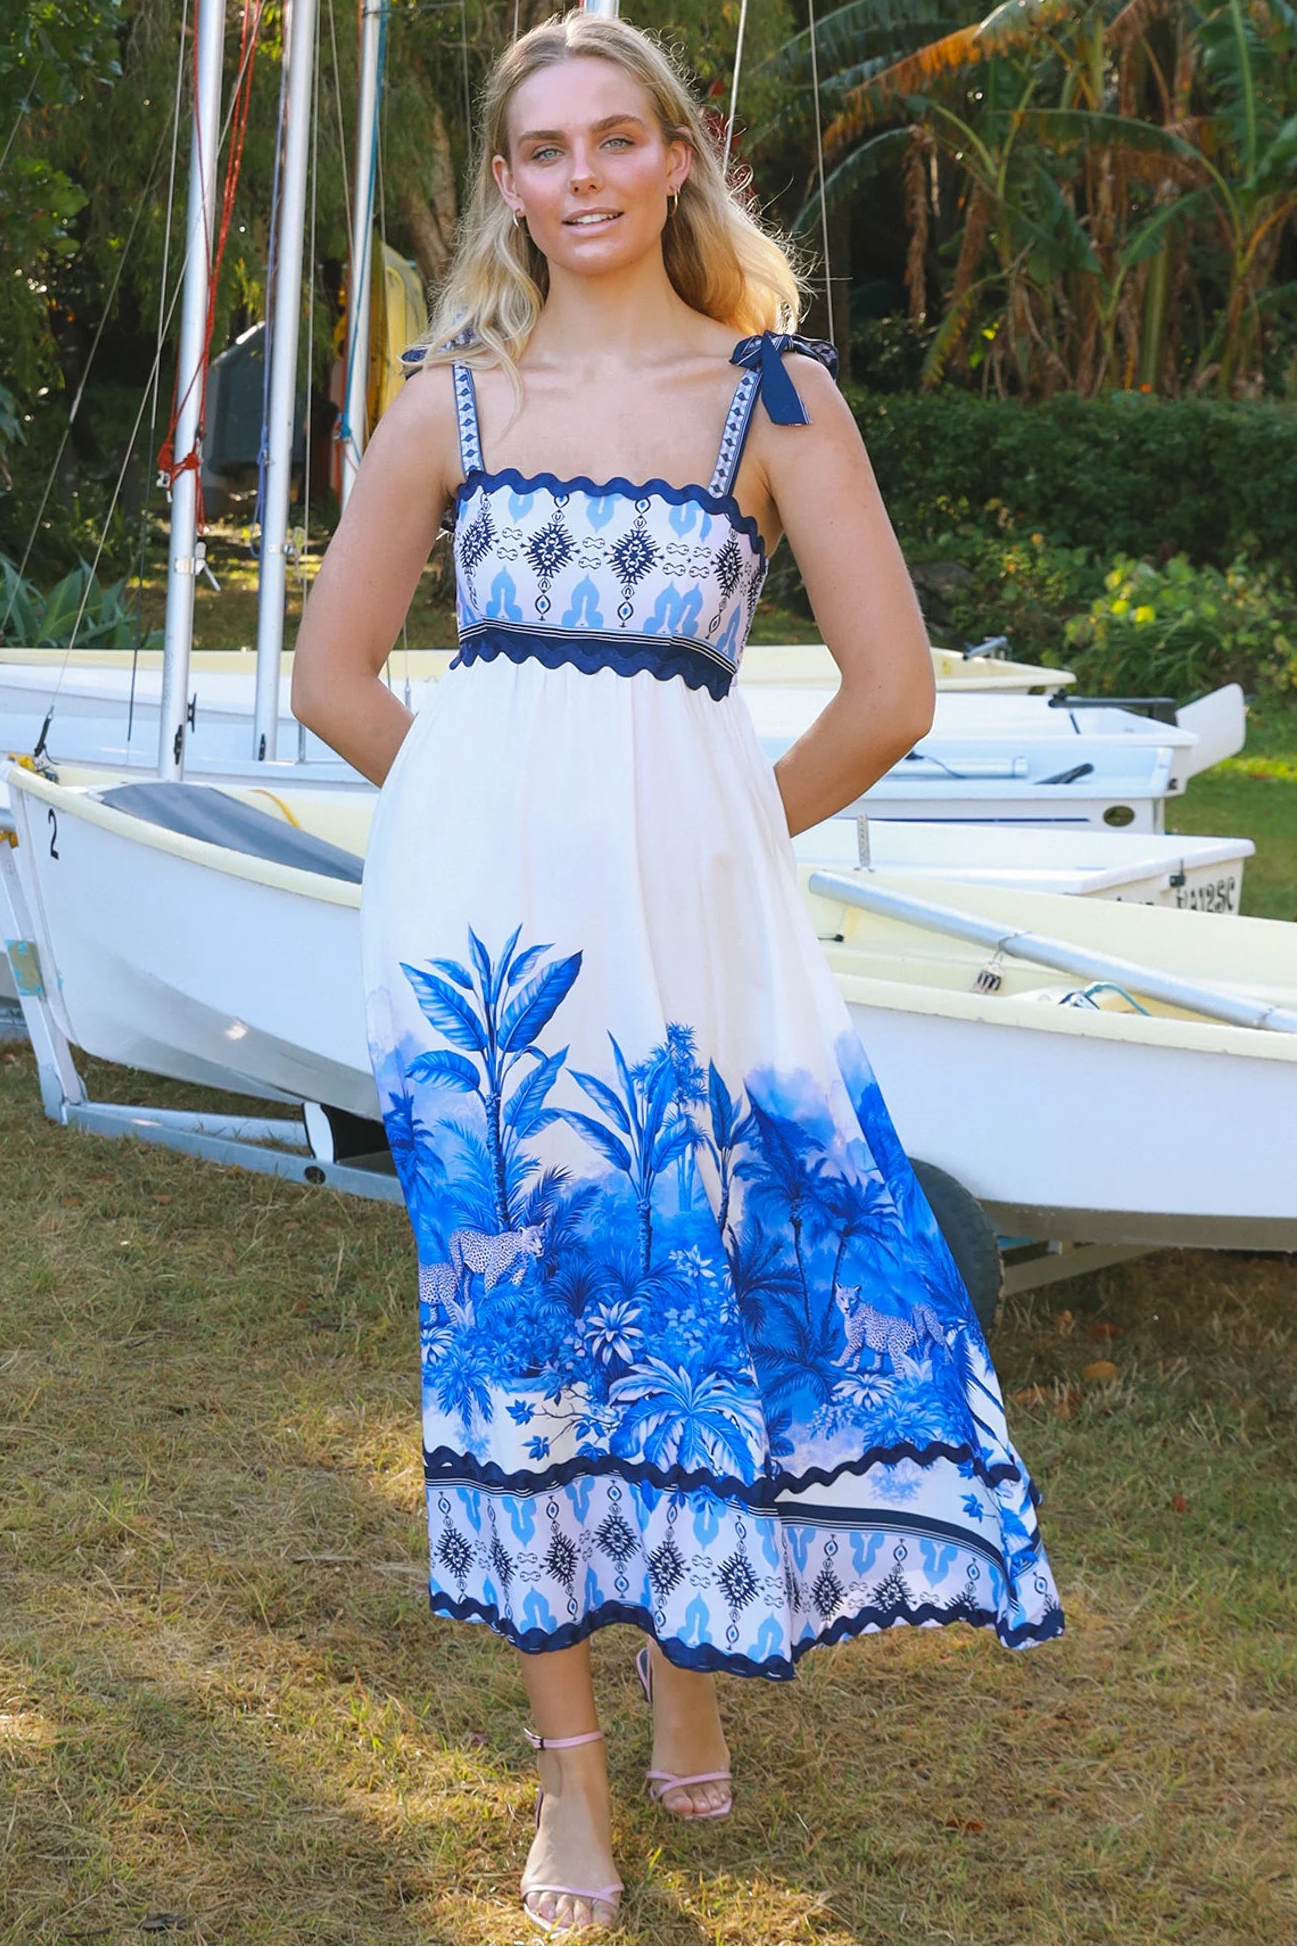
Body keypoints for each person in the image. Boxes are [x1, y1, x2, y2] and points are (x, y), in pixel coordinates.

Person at [292, 11, 1062, 1937]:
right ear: (504, 184)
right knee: (521, 1327)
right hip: (486, 964)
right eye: (541, 150)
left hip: (687, 941)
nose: (580, 179)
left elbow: (890, 695)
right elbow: (331, 681)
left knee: (692, 1281)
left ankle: (690, 1657)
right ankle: (568, 1784)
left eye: (613, 141)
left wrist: (692, 849)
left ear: (675, 152)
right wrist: (498, 827)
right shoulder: (444, 405)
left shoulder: (771, 398)